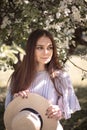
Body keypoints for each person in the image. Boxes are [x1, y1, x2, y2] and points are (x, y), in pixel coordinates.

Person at [5, 29, 81, 130]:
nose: (46, 52)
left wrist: (59, 111)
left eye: (49, 48)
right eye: (40, 48)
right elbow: (10, 111)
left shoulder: (60, 77)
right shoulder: (18, 76)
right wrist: (17, 100)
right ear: (31, 49)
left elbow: (68, 106)